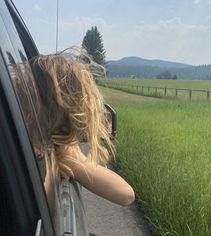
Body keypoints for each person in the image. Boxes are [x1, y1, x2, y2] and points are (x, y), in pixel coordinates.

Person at [26, 49, 135, 207]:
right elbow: (126, 194)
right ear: (70, 113)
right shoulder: (60, 154)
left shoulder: (23, 142)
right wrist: (75, 153)